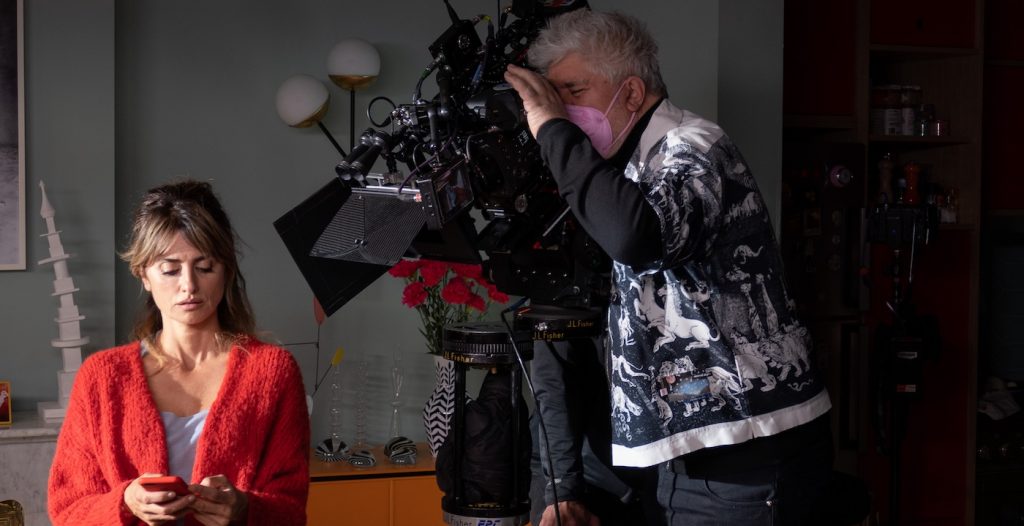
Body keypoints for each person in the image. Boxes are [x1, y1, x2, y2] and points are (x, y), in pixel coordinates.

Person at [505, 10, 833, 525]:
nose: (561, 109)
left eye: (573, 90)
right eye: (552, 96)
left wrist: (551, 130)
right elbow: (562, 322)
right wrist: (561, 484)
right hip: (667, 450)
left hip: (740, 450)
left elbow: (636, 235)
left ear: (631, 94)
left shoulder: (694, 149)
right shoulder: (616, 169)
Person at [48, 180, 311, 526]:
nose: (188, 285)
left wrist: (246, 509)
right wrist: (125, 502)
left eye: (205, 267)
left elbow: (291, 509)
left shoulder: (272, 372)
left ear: (227, 271)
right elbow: (67, 511)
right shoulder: (101, 377)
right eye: (170, 269)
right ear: (143, 274)